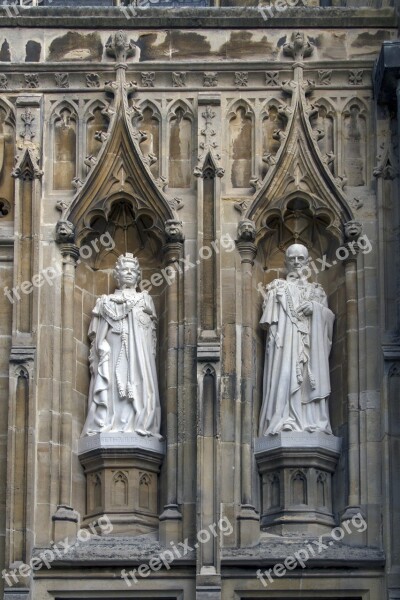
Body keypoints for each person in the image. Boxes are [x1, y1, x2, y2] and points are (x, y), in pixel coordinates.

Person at [81, 253, 161, 438]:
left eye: (133, 270)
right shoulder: (105, 302)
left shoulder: (144, 300)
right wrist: (102, 346)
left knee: (137, 386)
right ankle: (108, 422)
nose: (128, 273)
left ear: (138, 275)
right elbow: (97, 335)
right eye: (124, 270)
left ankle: (139, 423)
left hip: (138, 355)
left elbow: (150, 333)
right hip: (114, 349)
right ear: (116, 275)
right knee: (114, 388)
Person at [259, 243, 335, 436]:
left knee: (310, 380)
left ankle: (312, 421)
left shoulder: (317, 291)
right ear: (285, 263)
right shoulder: (277, 287)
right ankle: (284, 419)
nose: (296, 262)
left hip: (310, 348)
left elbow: (329, 321)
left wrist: (315, 310)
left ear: (308, 262)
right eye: (292, 258)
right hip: (285, 347)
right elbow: (270, 323)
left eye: (300, 258)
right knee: (284, 377)